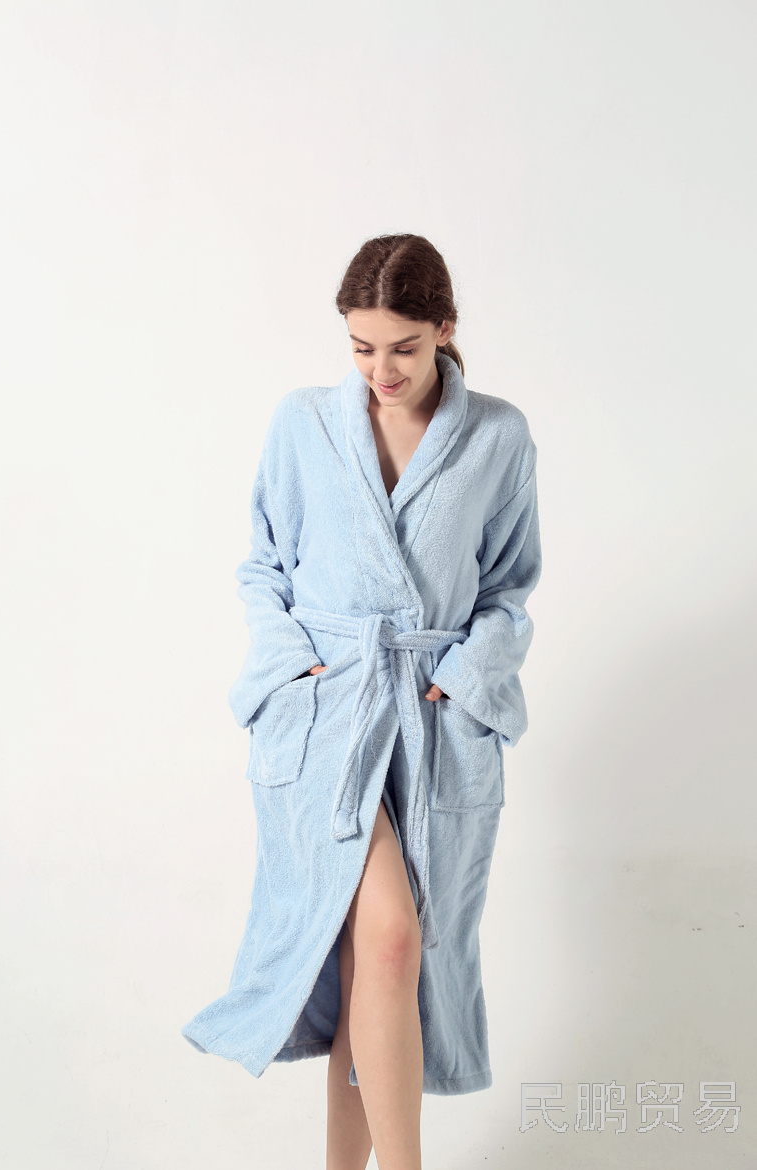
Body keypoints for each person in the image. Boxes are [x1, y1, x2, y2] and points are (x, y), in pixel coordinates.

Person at [181, 233, 543, 1170]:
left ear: (445, 330)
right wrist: (291, 670)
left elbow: (509, 587)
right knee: (386, 939)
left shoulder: (497, 437)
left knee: (374, 966)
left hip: (432, 725)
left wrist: (466, 677)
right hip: (326, 719)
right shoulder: (303, 424)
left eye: (404, 348)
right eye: (361, 347)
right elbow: (263, 567)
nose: (382, 370)